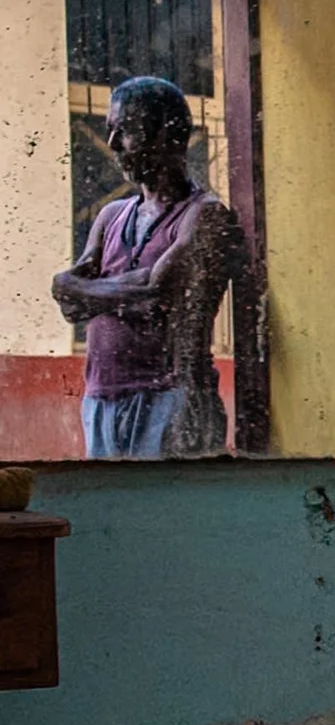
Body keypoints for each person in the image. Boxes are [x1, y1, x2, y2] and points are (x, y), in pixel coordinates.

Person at [51, 76, 241, 459]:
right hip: (101, 399)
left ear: (167, 136)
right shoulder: (111, 216)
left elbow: (158, 296)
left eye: (125, 131)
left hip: (174, 398)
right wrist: (139, 284)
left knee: (169, 497)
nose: (112, 143)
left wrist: (88, 289)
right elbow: (68, 300)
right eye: (110, 130)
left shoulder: (205, 215)